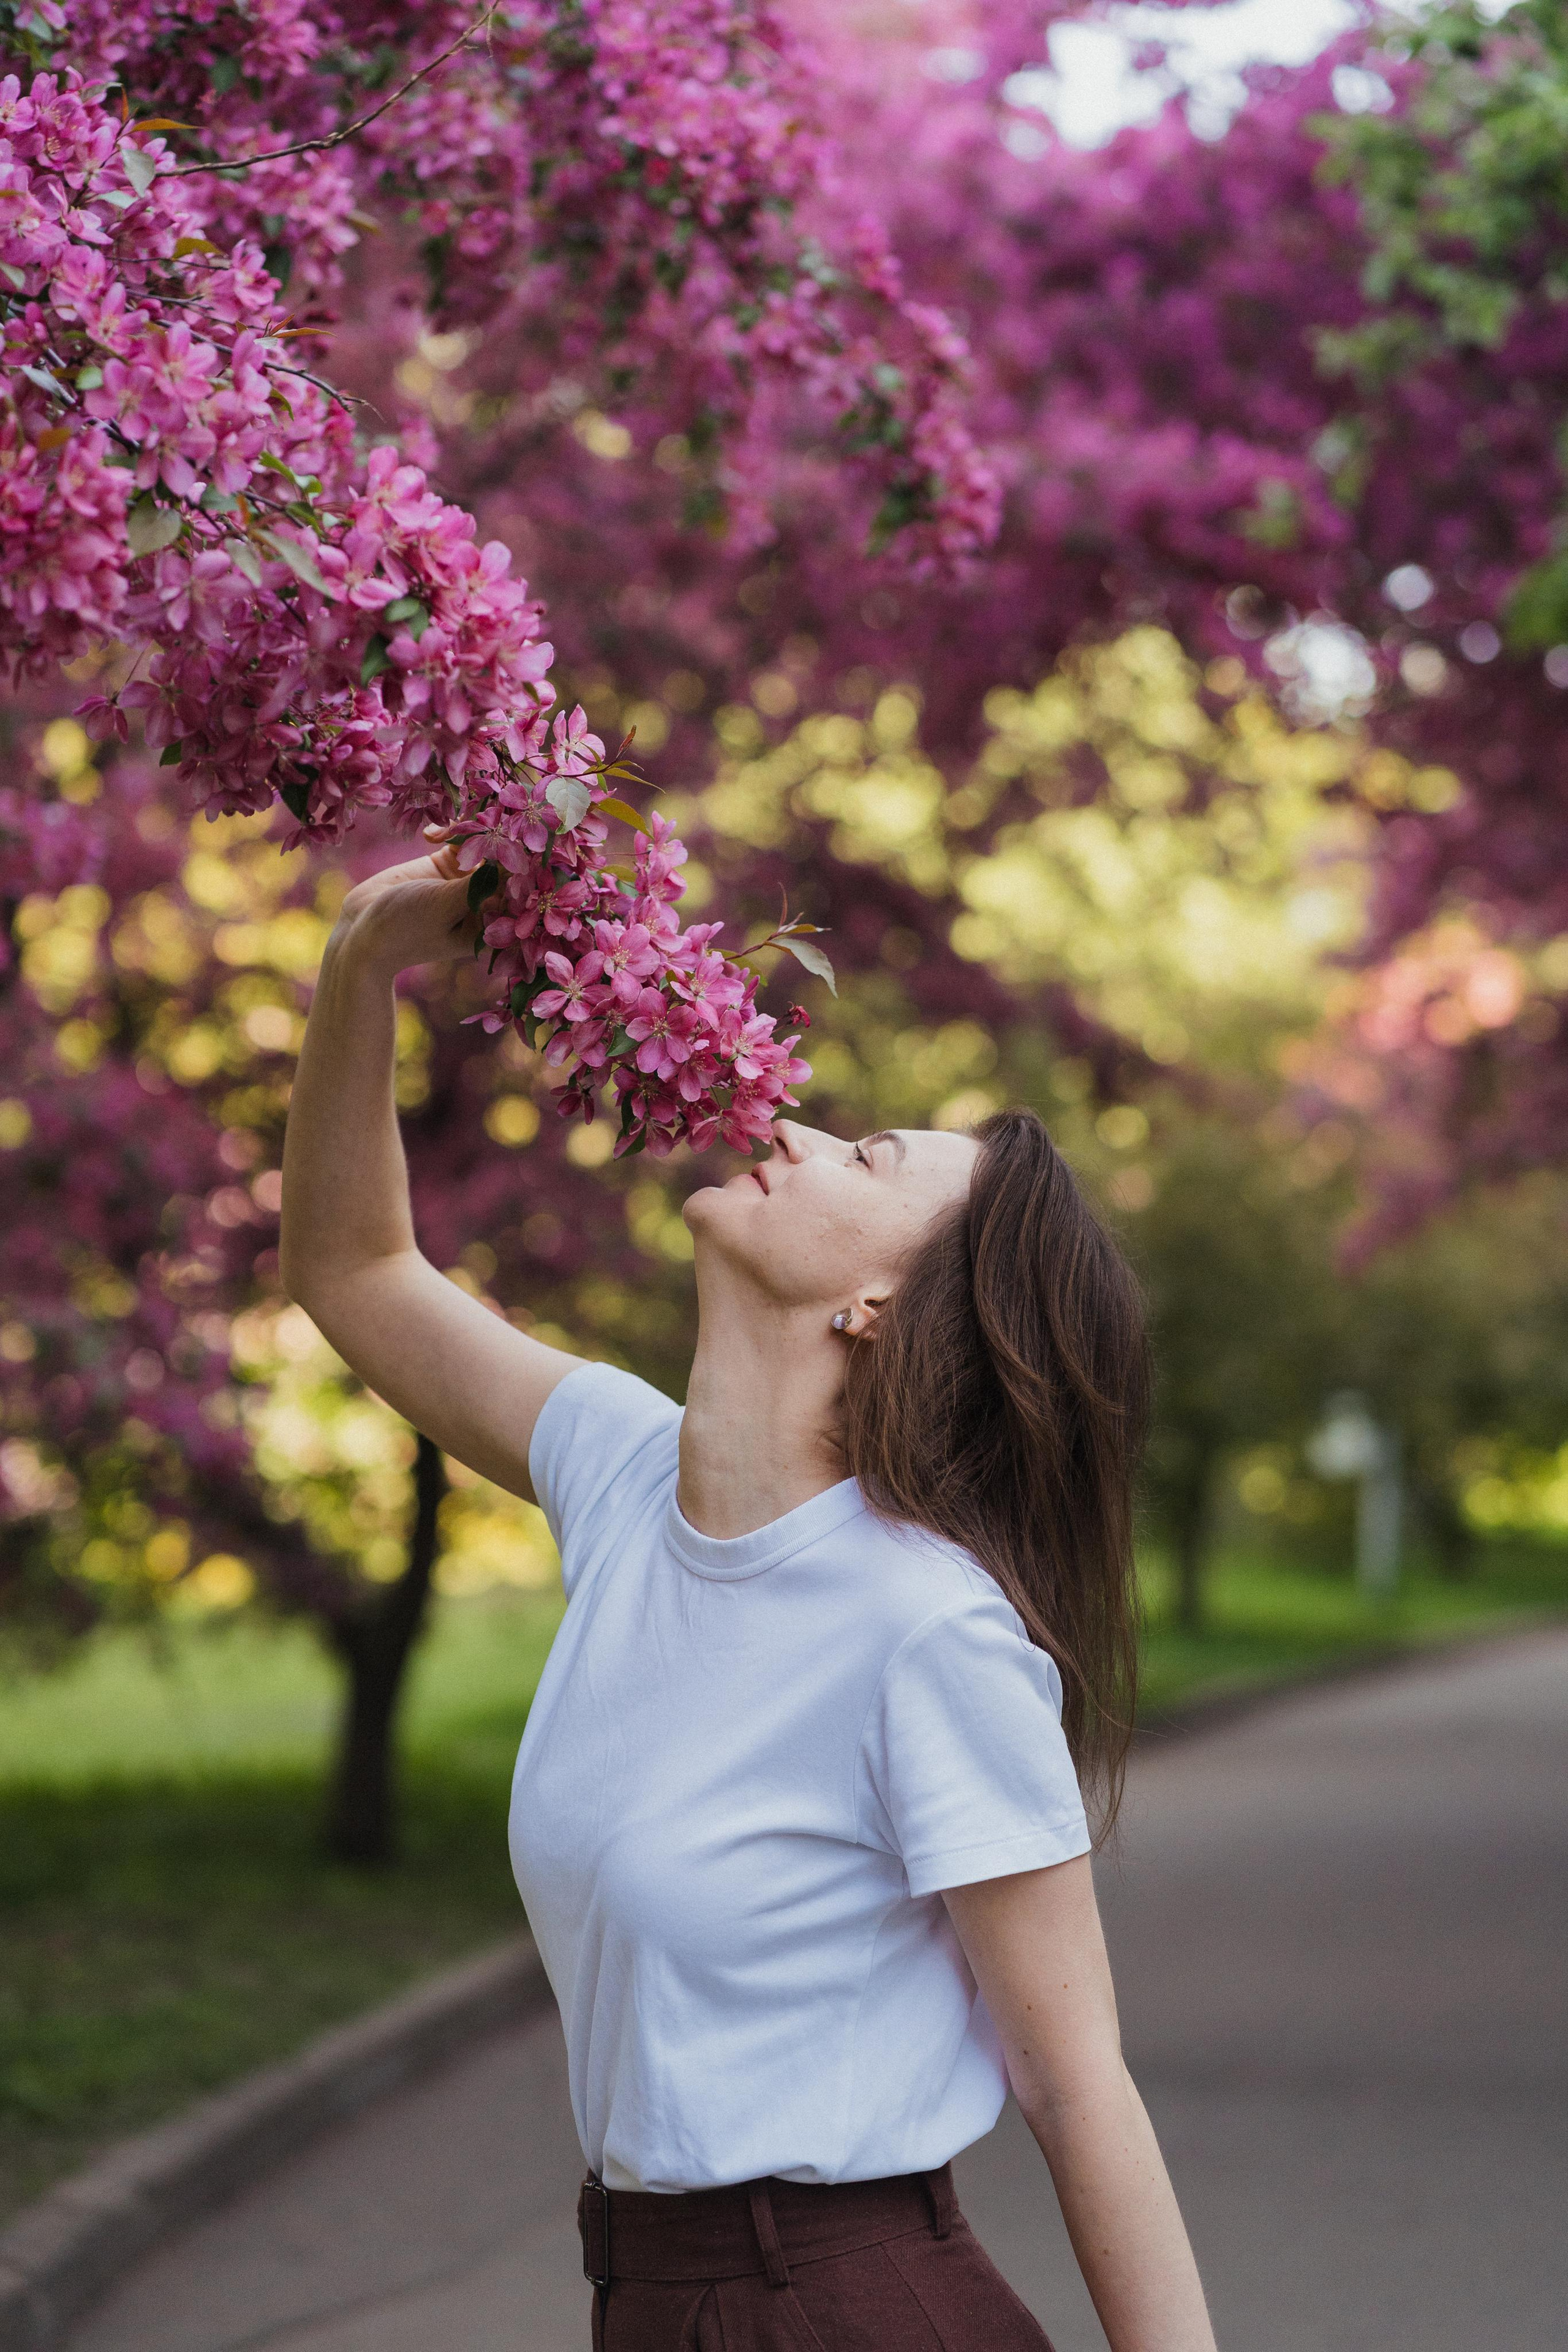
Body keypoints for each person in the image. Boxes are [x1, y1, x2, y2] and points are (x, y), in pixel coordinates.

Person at [280, 839, 1218, 2352]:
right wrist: (357, 968)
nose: (788, 1121)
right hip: (651, 2299)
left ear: (878, 1310)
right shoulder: (617, 1473)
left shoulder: (926, 1628)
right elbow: (351, 1266)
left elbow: (1072, 2082)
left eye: (863, 1161)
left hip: (846, 2306)